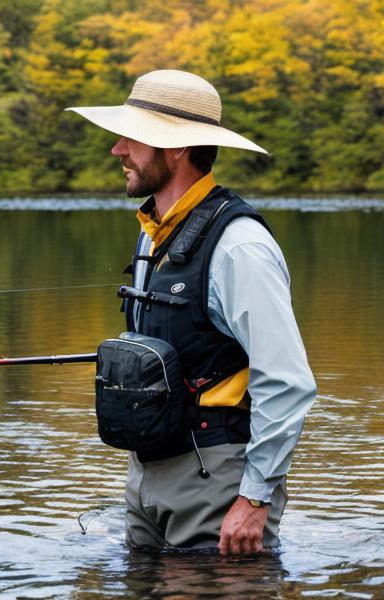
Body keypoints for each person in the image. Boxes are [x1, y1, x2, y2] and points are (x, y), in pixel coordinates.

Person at [67, 70, 316, 555]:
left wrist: (254, 498)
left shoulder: (240, 246)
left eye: (132, 138)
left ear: (176, 148)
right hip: (147, 472)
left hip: (216, 476)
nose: (118, 150)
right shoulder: (151, 233)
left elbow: (287, 382)